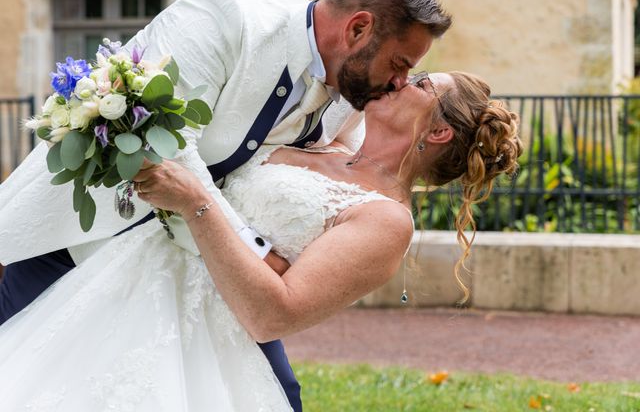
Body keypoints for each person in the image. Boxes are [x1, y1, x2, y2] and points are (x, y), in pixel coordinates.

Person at [0, 0, 451, 410]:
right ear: (357, 29)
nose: (400, 81)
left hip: (199, 276)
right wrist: (257, 254)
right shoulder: (224, 17)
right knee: (29, 376)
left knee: (276, 396)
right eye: (399, 63)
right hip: (76, 242)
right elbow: (167, 151)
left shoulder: (353, 95)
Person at [0, 71, 522, 409]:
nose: (405, 76)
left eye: (424, 84)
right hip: (125, 278)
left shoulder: (387, 221)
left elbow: (276, 314)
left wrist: (194, 203)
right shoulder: (325, 138)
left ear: (438, 133)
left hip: (203, 328)